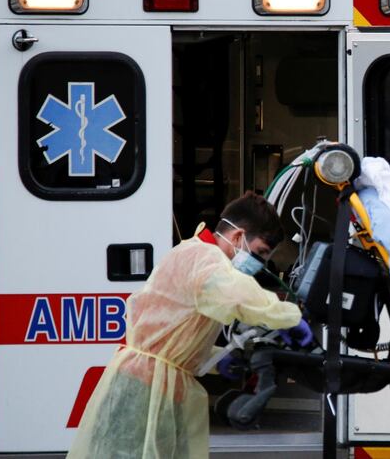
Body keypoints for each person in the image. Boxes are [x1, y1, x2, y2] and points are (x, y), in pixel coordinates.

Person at [67, 191, 308, 459]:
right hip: (143, 389)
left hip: (155, 385)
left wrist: (217, 359)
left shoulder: (197, 255)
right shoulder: (203, 258)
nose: (259, 263)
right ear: (238, 236)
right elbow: (240, 296)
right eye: (260, 252)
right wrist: (291, 318)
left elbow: (176, 336)